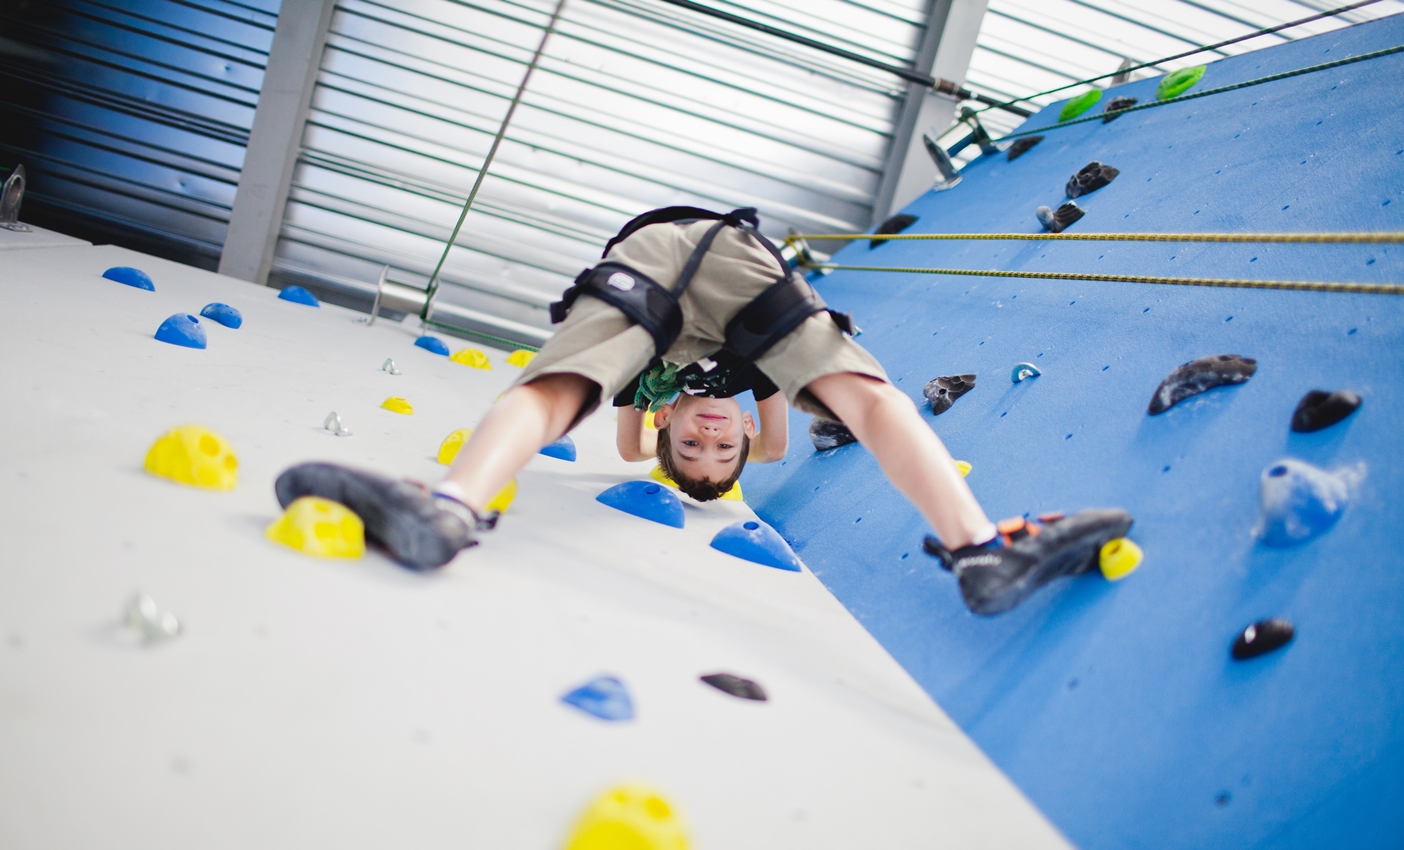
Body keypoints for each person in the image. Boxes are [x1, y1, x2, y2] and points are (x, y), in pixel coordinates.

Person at [277, 207, 1131, 615]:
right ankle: (977, 546)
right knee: (870, 401)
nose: (709, 434)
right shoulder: (745, 403)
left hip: (654, 268)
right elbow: (770, 448)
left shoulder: (648, 398)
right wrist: (738, 448)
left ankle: (454, 505)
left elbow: (628, 428)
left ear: (666, 429)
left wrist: (663, 434)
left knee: (558, 383)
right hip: (726, 273)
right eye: (712, 446)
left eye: (696, 444)